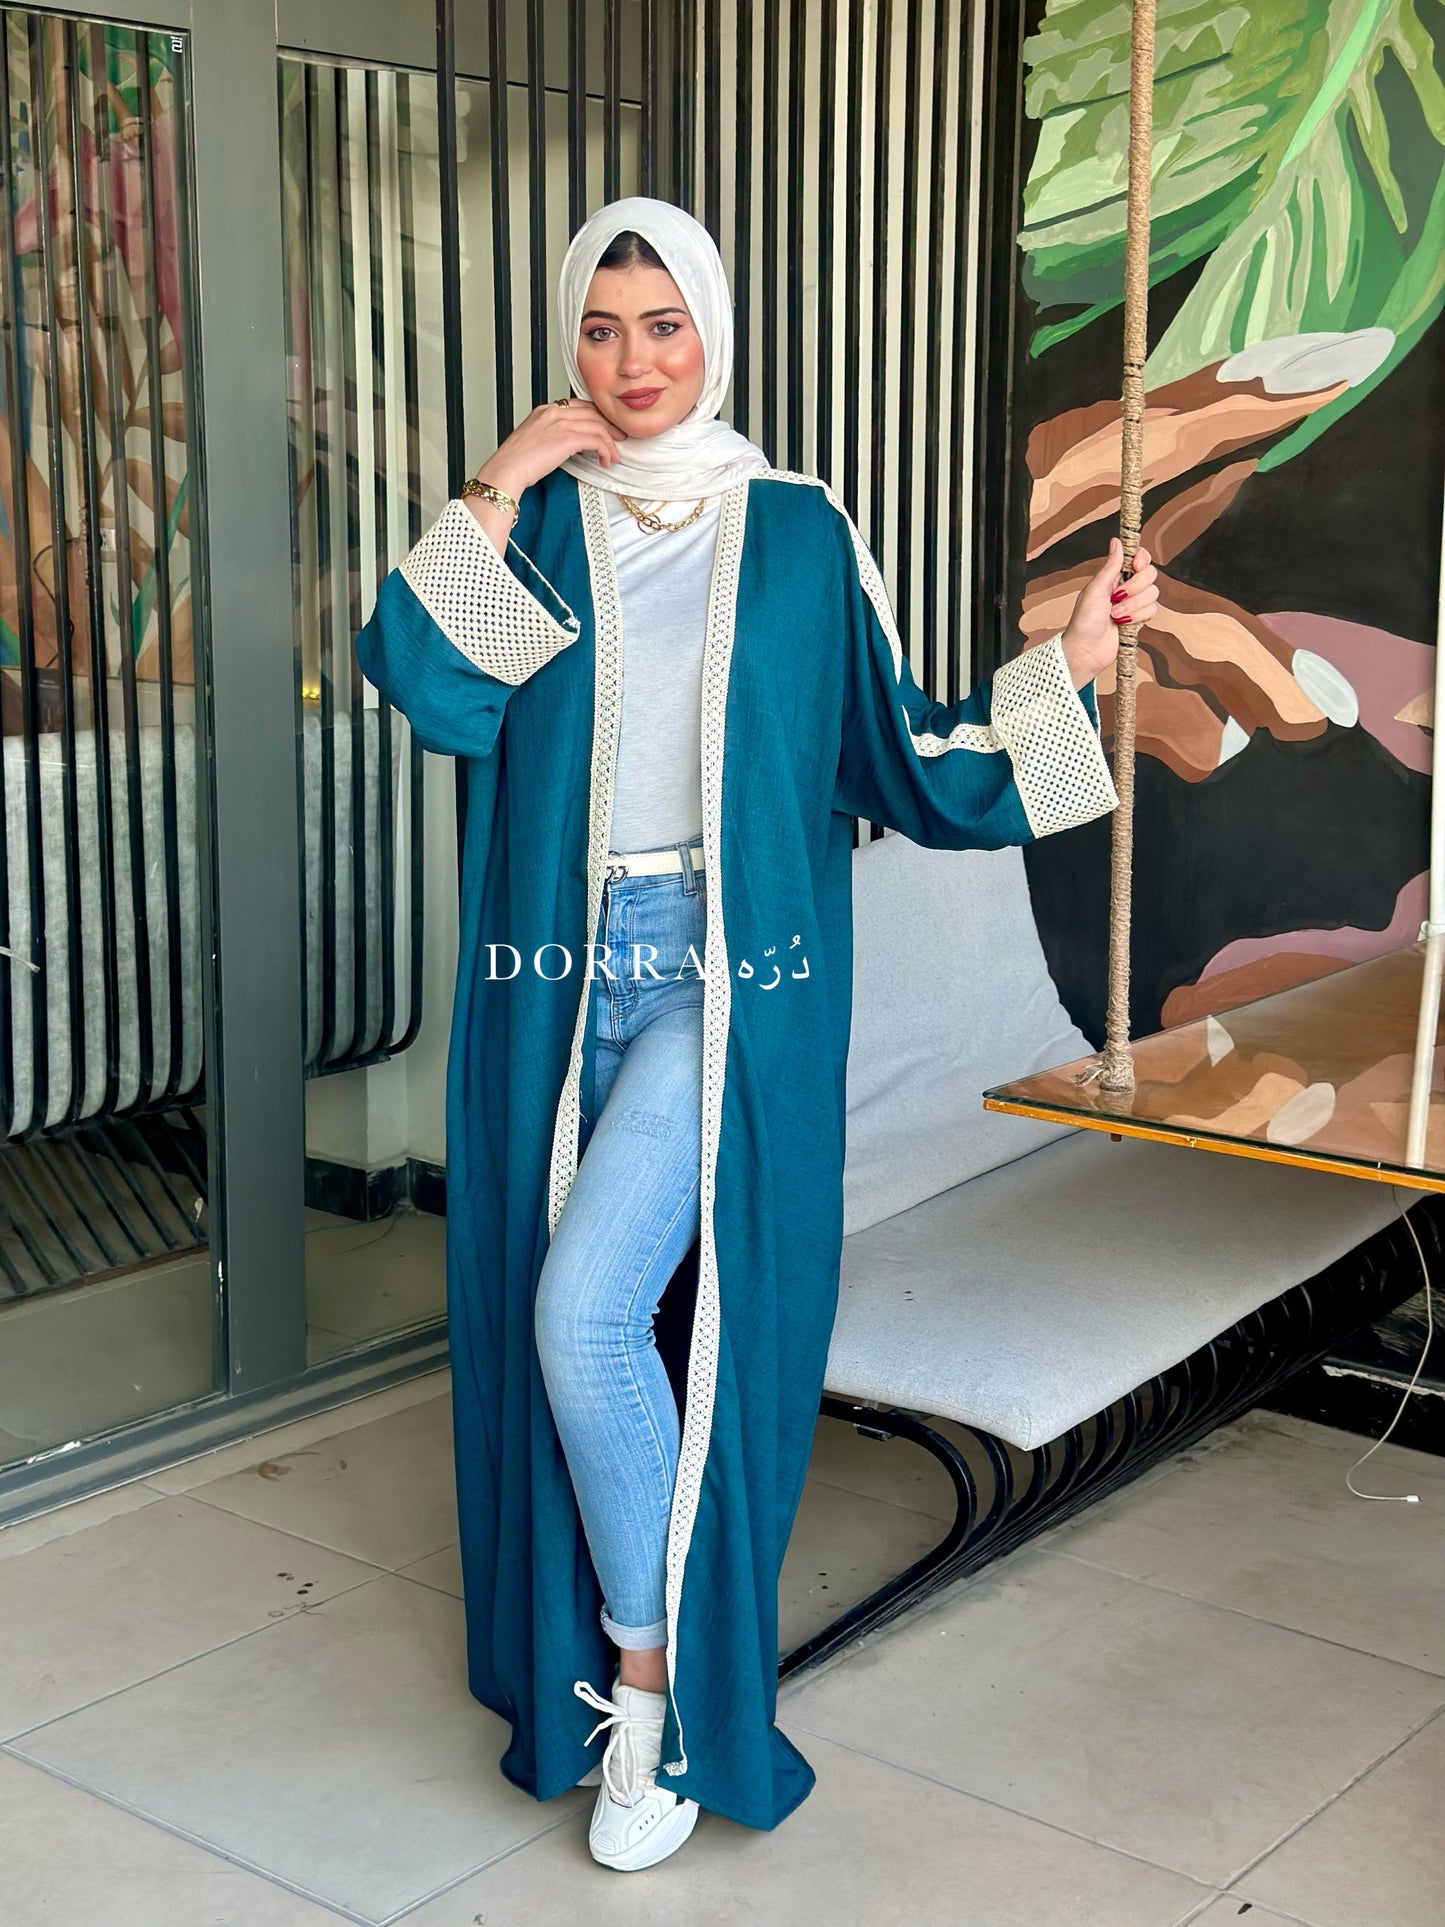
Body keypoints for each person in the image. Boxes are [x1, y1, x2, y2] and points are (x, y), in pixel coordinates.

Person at [354, 194, 1159, 1873]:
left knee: (590, 1313)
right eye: (600, 327)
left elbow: (907, 760)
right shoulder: (539, 522)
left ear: (712, 333)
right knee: (548, 1310)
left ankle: (648, 1687)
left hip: (726, 985)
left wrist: (1071, 663)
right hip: (549, 980)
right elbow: (426, 687)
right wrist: (499, 476)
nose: (632, 360)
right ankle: (599, 1664)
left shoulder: (791, 529)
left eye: (663, 324)